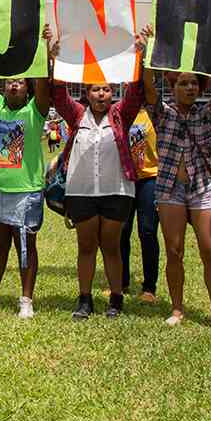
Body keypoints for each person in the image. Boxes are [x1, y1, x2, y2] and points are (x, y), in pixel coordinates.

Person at [52, 29, 150, 319]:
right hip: (81, 190)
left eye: (106, 89)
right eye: (95, 89)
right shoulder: (76, 114)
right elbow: (58, 95)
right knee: (85, 246)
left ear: (112, 93)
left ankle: (116, 299)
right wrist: (55, 58)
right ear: (87, 93)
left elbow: (137, 91)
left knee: (111, 245)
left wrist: (139, 55)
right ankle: (84, 299)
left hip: (117, 190)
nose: (101, 94)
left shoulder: (121, 114)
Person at [143, 30, 211, 331]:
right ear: (174, 86)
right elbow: (148, 89)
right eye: (183, 82)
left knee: (210, 251)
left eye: (194, 82)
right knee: (174, 251)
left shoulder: (206, 115)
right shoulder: (162, 113)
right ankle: (177, 308)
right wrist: (149, 51)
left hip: (202, 189)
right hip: (170, 189)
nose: (190, 87)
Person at [0, 26, 51, 319]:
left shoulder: (36, 111)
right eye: (9, 82)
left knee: (26, 247)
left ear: (28, 88)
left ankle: (25, 300)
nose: (14, 85)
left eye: (19, 82)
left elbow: (44, 82)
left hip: (26, 191)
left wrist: (42, 47)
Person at [119, 106, 161, 303]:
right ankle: (121, 282)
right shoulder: (119, 112)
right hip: (125, 179)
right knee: (121, 231)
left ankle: (149, 287)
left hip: (150, 179)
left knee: (147, 231)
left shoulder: (155, 113)